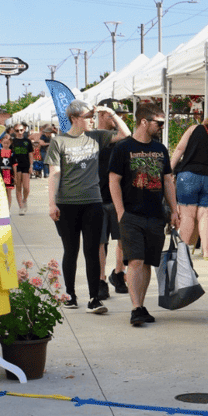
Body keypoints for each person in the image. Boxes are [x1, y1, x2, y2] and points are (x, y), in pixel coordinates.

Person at [108, 102, 180, 327]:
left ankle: (140, 304)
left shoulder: (160, 149)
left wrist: (175, 210)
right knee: (136, 261)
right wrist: (121, 212)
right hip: (131, 214)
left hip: (155, 215)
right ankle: (135, 308)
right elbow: (114, 180)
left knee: (148, 262)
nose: (161, 126)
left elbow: (167, 179)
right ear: (144, 122)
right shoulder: (123, 148)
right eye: (159, 122)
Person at [45, 101, 115, 314]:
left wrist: (110, 113)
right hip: (68, 204)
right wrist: (51, 203)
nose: (92, 119)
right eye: (88, 116)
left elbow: (127, 134)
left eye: (93, 115)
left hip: (93, 202)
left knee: (92, 250)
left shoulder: (96, 137)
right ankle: (71, 295)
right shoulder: (59, 142)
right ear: (75, 118)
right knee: (71, 250)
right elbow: (54, 173)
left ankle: (94, 298)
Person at [171, 113, 208, 260]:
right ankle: (207, 252)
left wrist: (169, 169)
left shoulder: (193, 129)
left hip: (188, 176)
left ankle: (181, 253)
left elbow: (179, 149)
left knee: (187, 216)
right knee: (206, 216)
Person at [94, 106, 131, 299]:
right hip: (98, 197)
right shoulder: (93, 136)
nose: (118, 119)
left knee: (122, 238)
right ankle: (101, 279)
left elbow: (126, 133)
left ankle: (118, 273)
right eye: (112, 115)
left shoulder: (117, 139)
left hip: (118, 197)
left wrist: (114, 115)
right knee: (100, 241)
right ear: (100, 115)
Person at [9, 122, 33, 214]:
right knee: (18, 186)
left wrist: (31, 166)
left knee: (26, 188)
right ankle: (21, 207)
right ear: (14, 131)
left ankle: (25, 200)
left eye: (21, 130)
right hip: (16, 166)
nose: (19, 132)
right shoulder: (12, 142)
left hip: (26, 165)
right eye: (17, 130)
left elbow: (30, 154)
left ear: (24, 130)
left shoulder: (27, 141)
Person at [0, 137, 15, 209]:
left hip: (9, 174)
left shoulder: (12, 153)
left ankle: (8, 208)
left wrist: (15, 176)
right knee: (2, 192)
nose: (6, 144)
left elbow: (14, 165)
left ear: (10, 143)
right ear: (1, 143)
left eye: (7, 143)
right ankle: (2, 208)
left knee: (9, 192)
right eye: (4, 143)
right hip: (1, 174)